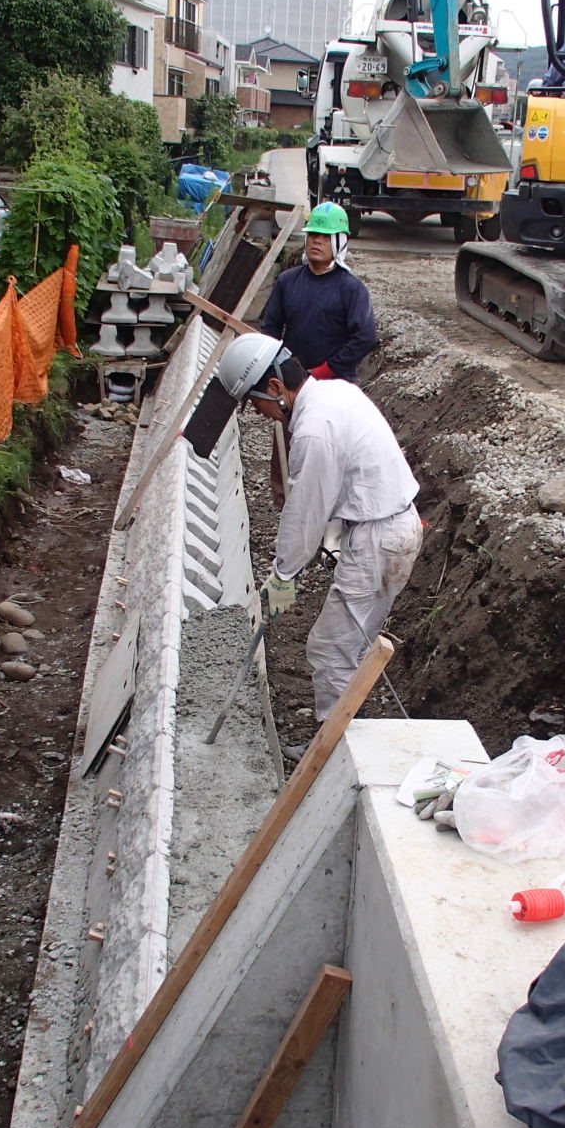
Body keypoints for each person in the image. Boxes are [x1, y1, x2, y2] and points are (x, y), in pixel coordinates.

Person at [214, 332, 422, 737]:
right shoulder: (335, 392)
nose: (258, 413)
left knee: (330, 648)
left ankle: (334, 753)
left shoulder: (313, 429)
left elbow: (304, 512)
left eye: (255, 402)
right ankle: (348, 736)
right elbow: (333, 490)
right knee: (353, 646)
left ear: (276, 387)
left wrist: (283, 576)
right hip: (386, 527)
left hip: (379, 539)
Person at [258, 201, 377, 383]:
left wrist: (327, 369)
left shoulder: (352, 289)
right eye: (313, 234)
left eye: (326, 236)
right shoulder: (287, 281)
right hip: (292, 381)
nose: (317, 241)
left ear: (340, 241)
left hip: (335, 384)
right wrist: (276, 365)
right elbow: (270, 327)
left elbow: (366, 337)